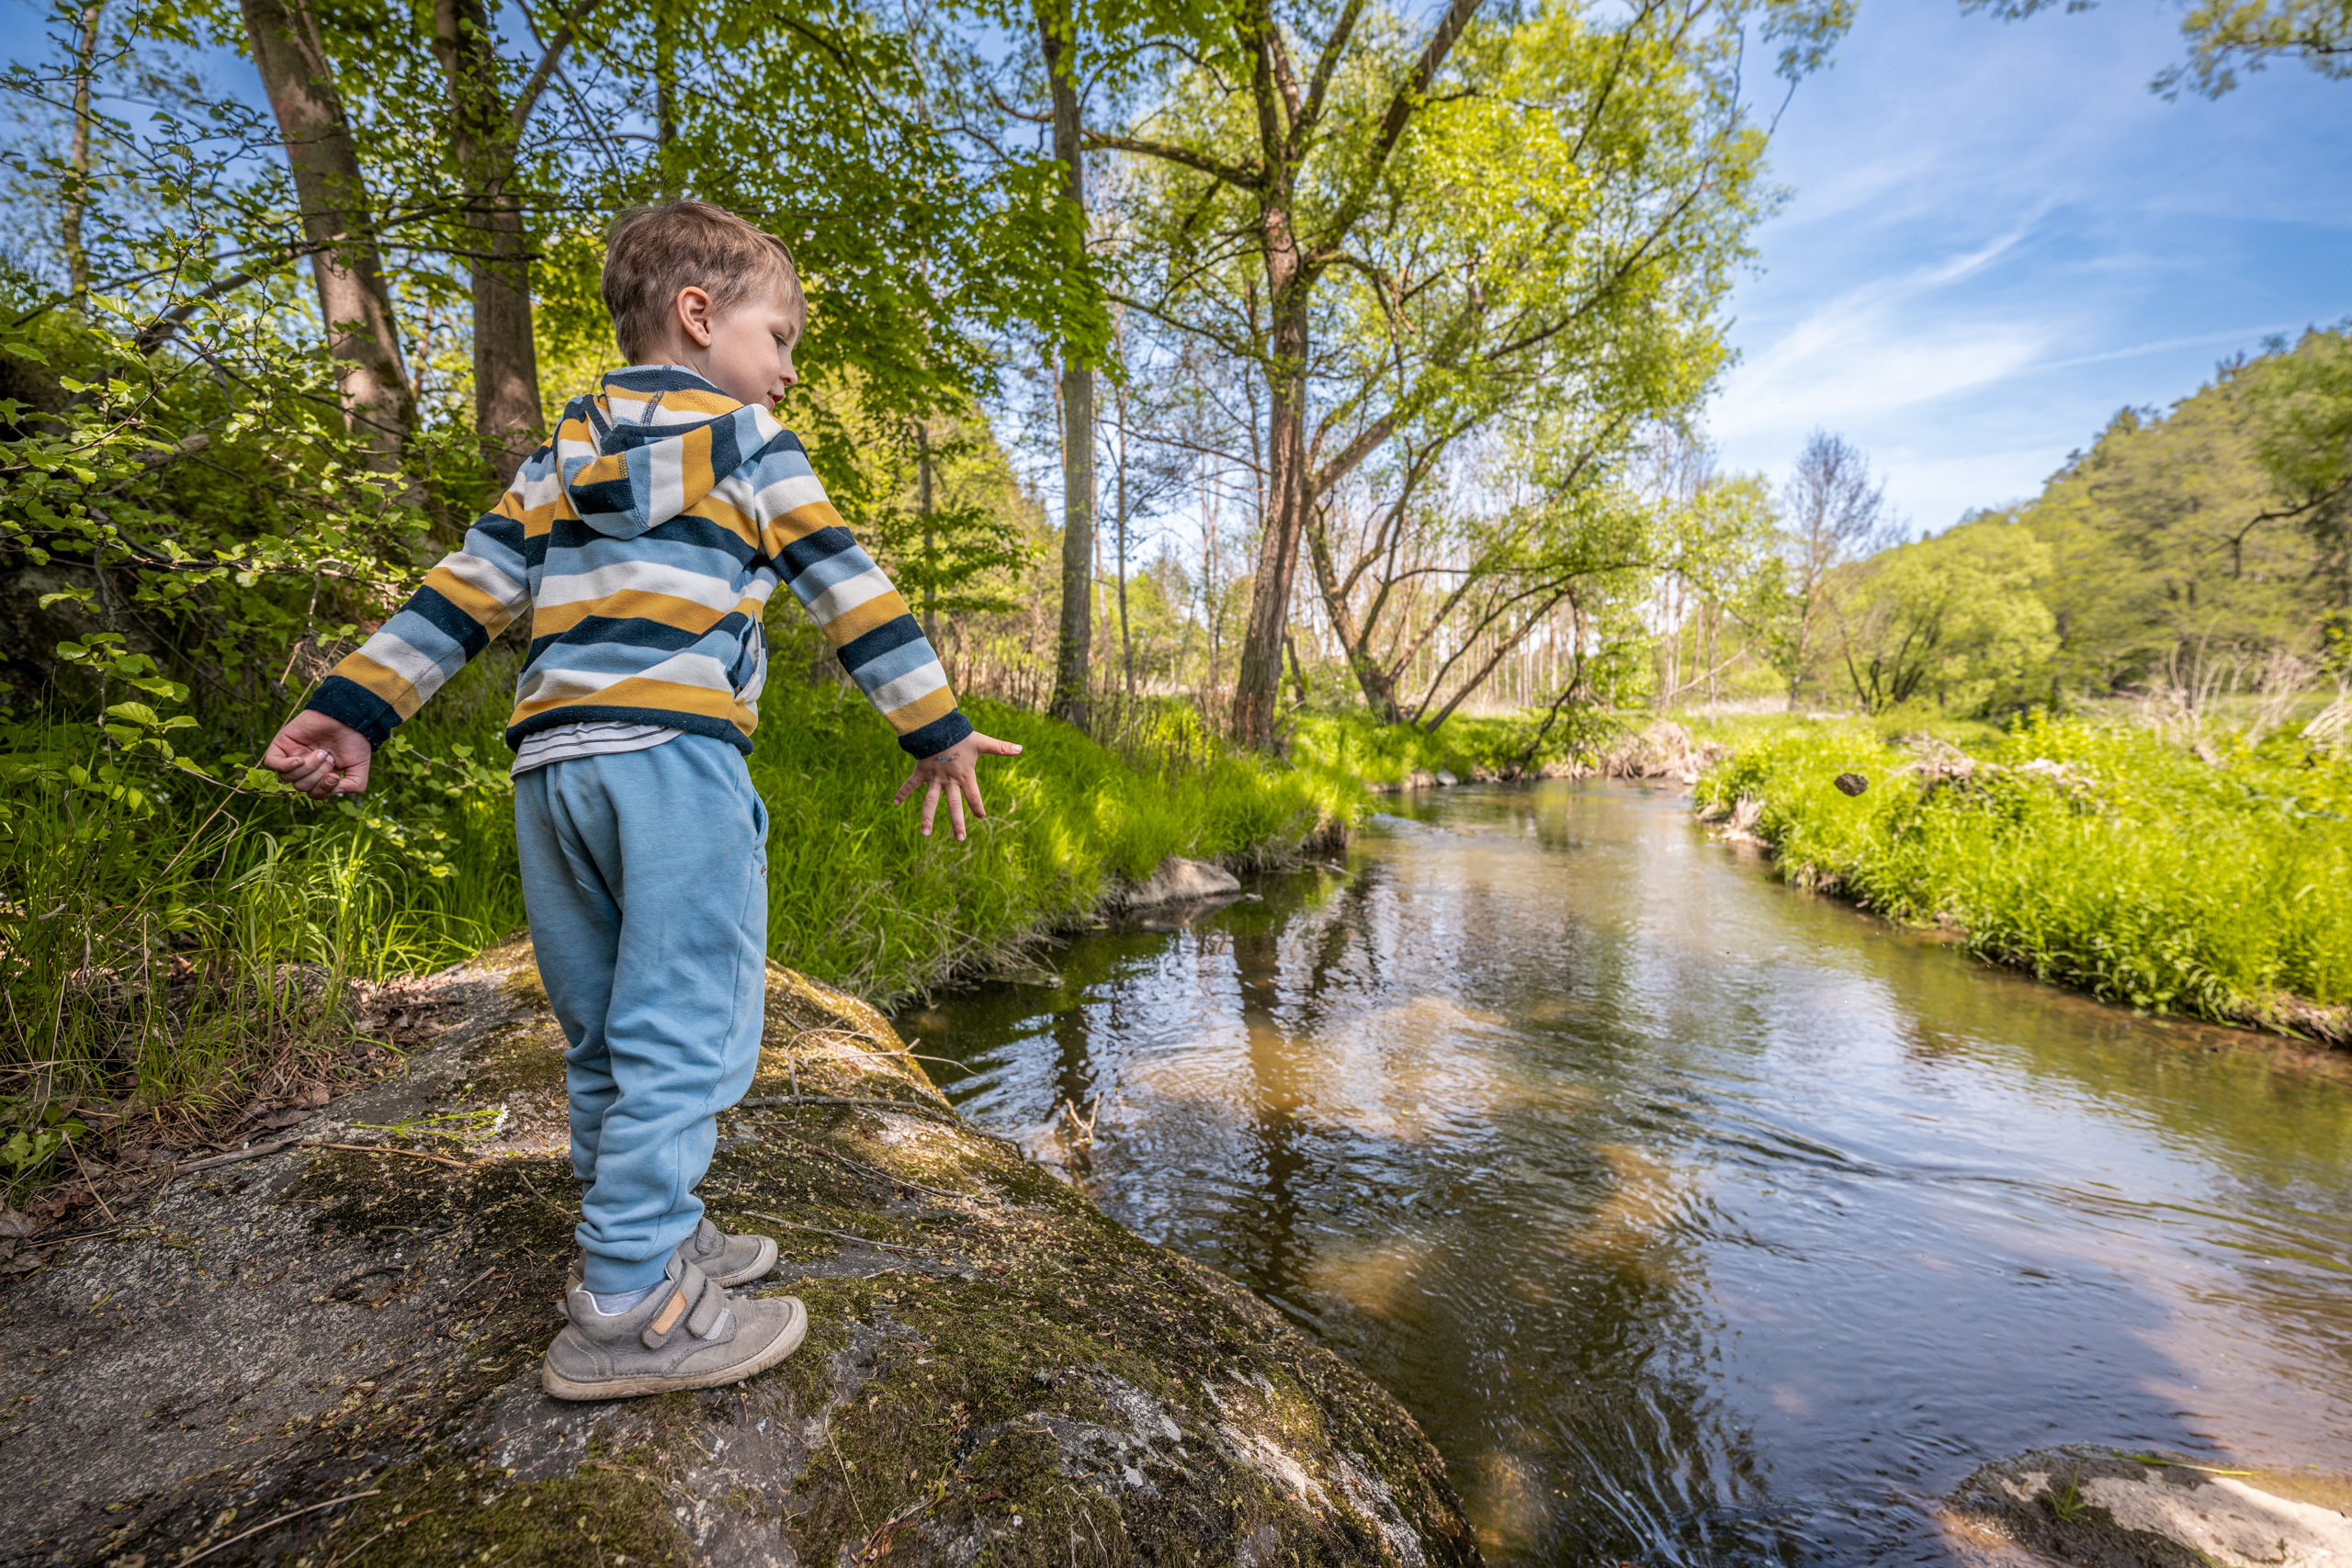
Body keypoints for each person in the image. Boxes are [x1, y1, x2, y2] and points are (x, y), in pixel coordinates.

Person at [261, 200, 1020, 1401]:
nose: (786, 369)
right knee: (689, 1024)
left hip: (551, 771)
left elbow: (466, 588)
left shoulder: (565, 449)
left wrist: (355, 706)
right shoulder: (753, 444)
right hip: (673, 760)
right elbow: (849, 590)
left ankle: (650, 1233)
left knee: (605, 1027)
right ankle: (626, 1304)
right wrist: (935, 730)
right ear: (699, 314)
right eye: (781, 338)